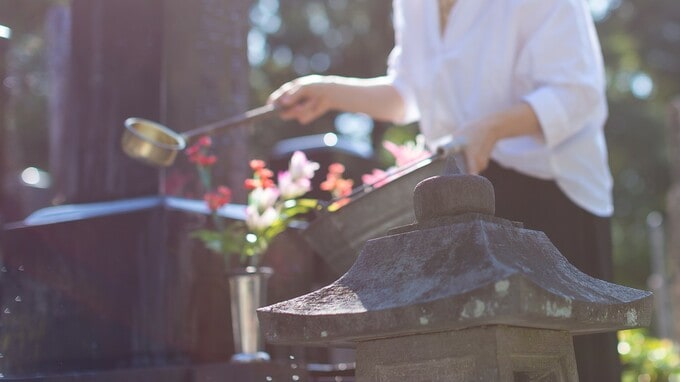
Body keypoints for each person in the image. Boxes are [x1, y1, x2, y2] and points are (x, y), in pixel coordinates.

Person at [269, 0, 619, 380]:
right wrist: (329, 91)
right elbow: (407, 94)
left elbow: (576, 93)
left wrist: (491, 128)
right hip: (460, 189)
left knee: (563, 357)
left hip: (550, 192)